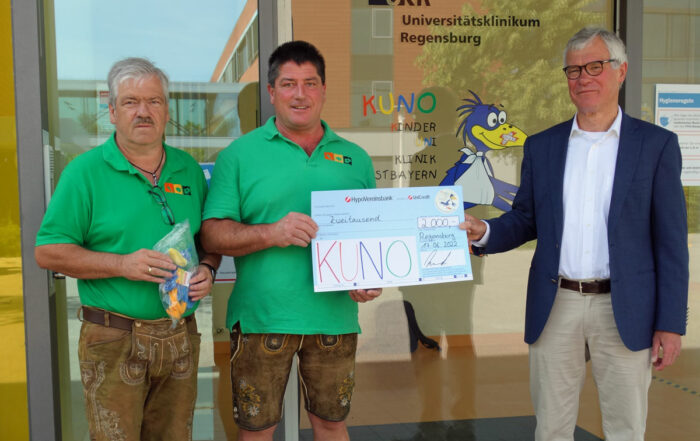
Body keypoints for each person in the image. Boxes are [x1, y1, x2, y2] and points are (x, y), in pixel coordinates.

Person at [461, 27, 688, 441]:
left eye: (595, 67)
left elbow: (671, 244)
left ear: (621, 71)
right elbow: (526, 219)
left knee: (625, 429)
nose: (583, 78)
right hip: (556, 305)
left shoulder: (656, 146)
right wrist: (485, 231)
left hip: (626, 308)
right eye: (574, 70)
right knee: (551, 428)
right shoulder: (543, 146)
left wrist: (670, 324)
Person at [200, 40, 381, 441]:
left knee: (331, 425)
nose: (300, 94)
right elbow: (212, 233)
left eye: (310, 83)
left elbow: (370, 236)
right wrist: (272, 232)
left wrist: (369, 277)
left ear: (323, 90)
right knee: (257, 431)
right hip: (261, 319)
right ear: (272, 92)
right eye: (288, 84)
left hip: (334, 318)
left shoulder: (356, 158)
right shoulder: (239, 155)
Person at [35, 57, 220, 441]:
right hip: (114, 339)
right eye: (131, 101)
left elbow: (208, 240)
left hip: (179, 336)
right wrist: (122, 264)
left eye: (154, 101)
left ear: (166, 111)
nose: (143, 111)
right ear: (112, 111)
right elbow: (48, 252)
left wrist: (208, 268)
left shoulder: (188, 169)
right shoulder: (84, 172)